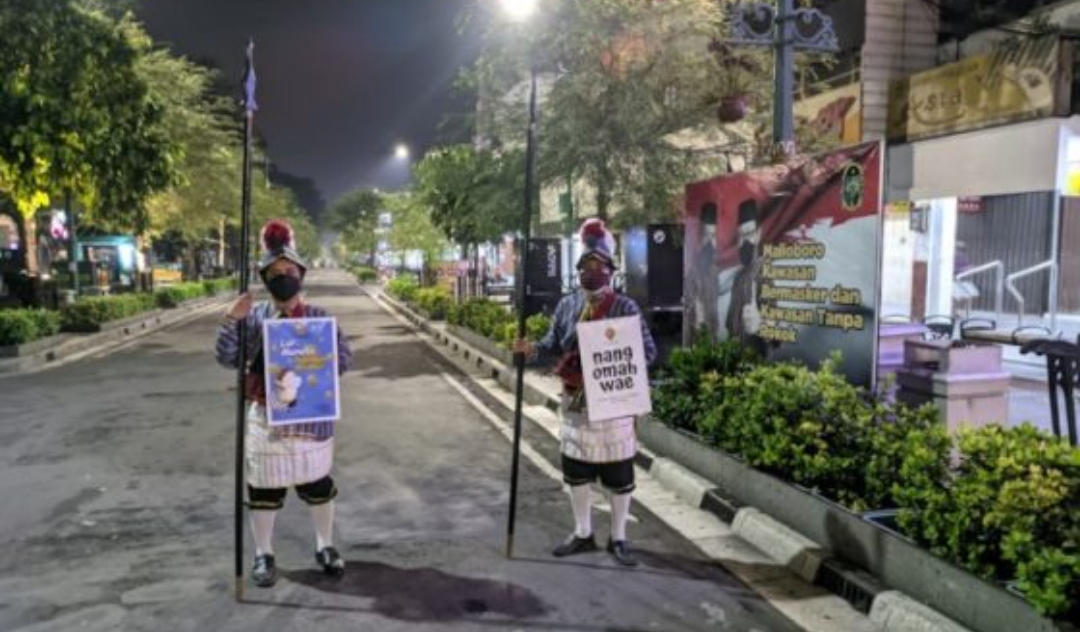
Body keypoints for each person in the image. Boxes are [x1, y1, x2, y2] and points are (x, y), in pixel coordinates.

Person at [215, 219, 353, 588]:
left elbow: (345, 358)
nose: (283, 277)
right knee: (263, 489)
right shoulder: (254, 317)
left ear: (301, 274)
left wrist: (319, 360)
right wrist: (232, 319)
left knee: (318, 485)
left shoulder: (320, 318)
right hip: (266, 418)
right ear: (265, 278)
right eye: (275, 273)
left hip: (312, 419)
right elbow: (226, 357)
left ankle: (325, 545)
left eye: (289, 271)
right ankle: (264, 554)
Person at [515, 218, 657, 567]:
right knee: (576, 469)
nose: (588, 272)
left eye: (596, 266)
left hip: (613, 403)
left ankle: (619, 537)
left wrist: (620, 356)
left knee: (618, 473)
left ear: (609, 270)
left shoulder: (625, 308)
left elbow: (649, 352)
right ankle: (583, 533)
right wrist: (530, 350)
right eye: (584, 266)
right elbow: (551, 345)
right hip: (576, 401)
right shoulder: (566, 306)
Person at [722, 199, 769, 357]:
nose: (745, 241)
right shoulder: (739, 276)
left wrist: (759, 324)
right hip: (735, 360)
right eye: (741, 236)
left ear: (758, 234)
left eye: (748, 233)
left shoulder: (766, 271)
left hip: (757, 363)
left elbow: (779, 329)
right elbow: (730, 325)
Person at [688, 203, 720, 334]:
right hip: (695, 332)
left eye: (713, 236)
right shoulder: (691, 269)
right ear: (700, 237)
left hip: (711, 334)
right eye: (706, 235)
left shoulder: (715, 271)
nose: (709, 242)